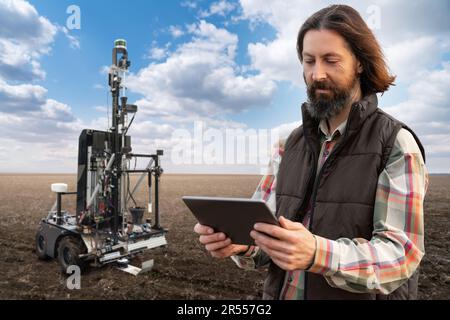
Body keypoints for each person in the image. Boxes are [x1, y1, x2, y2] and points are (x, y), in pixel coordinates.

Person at [194, 4, 428, 300]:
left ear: (359, 62)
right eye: (309, 61)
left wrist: (319, 253)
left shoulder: (395, 144)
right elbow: (266, 233)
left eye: (331, 61)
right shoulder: (287, 144)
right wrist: (242, 244)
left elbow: (401, 256)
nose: (317, 74)